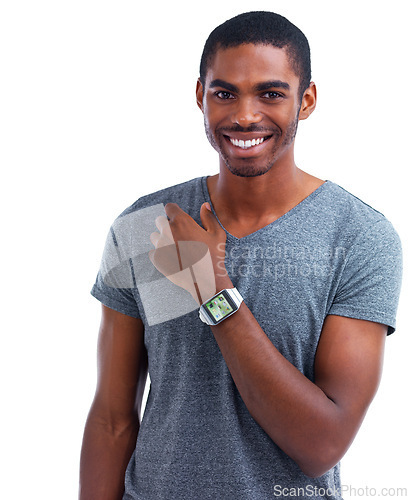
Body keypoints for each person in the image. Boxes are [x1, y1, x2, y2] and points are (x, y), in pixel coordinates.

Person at [79, 11, 402, 500]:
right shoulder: (148, 226)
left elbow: (321, 443)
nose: (245, 115)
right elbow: (111, 419)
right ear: (199, 96)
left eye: (271, 93)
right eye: (224, 93)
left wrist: (214, 290)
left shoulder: (357, 237)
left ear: (306, 100)